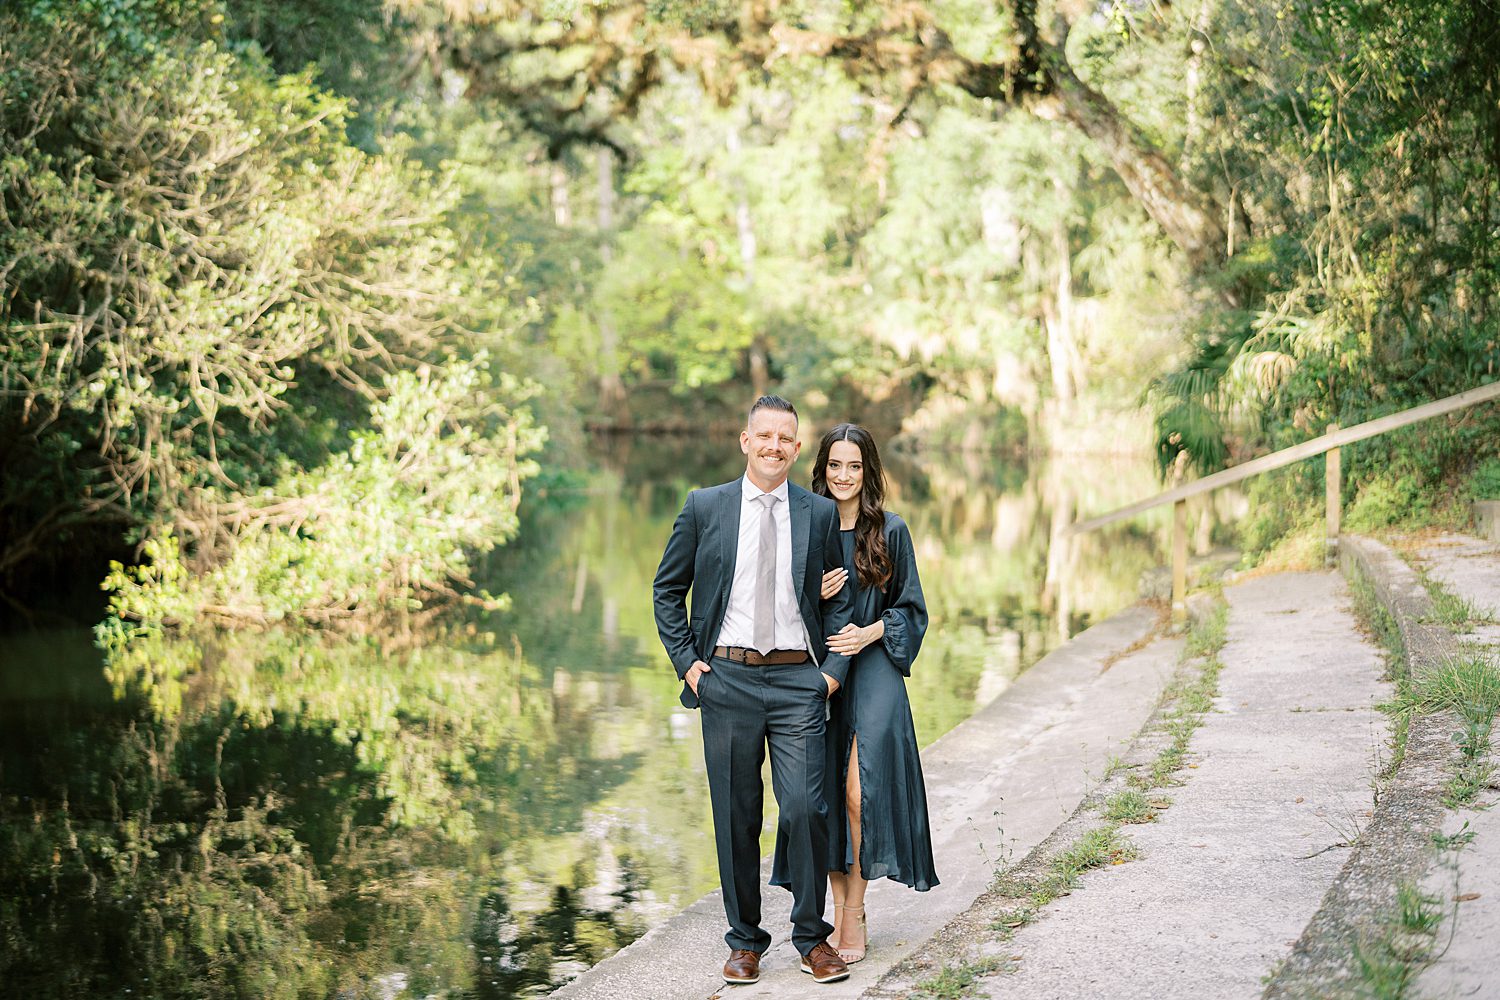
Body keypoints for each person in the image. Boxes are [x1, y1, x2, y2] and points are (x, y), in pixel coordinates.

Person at [652, 395, 857, 986]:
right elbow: (668, 591)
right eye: (763, 435)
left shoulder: (818, 514)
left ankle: (811, 938)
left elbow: (838, 597)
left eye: (785, 438)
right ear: (745, 441)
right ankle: (745, 942)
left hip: (799, 680)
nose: (774, 446)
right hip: (728, 679)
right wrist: (688, 665)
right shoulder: (705, 507)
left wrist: (830, 675)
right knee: (737, 816)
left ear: (796, 447)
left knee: (806, 808)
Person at [771, 422, 939, 964]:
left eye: (855, 466)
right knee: (820, 801)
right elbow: (771, 608)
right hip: (816, 671)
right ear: (821, 470)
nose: (844, 476)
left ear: (868, 472)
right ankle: (837, 909)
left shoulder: (891, 530)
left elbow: (913, 610)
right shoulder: (805, 528)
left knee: (858, 795)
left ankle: (854, 913)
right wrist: (806, 591)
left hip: (876, 670)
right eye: (835, 466)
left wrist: (874, 631)